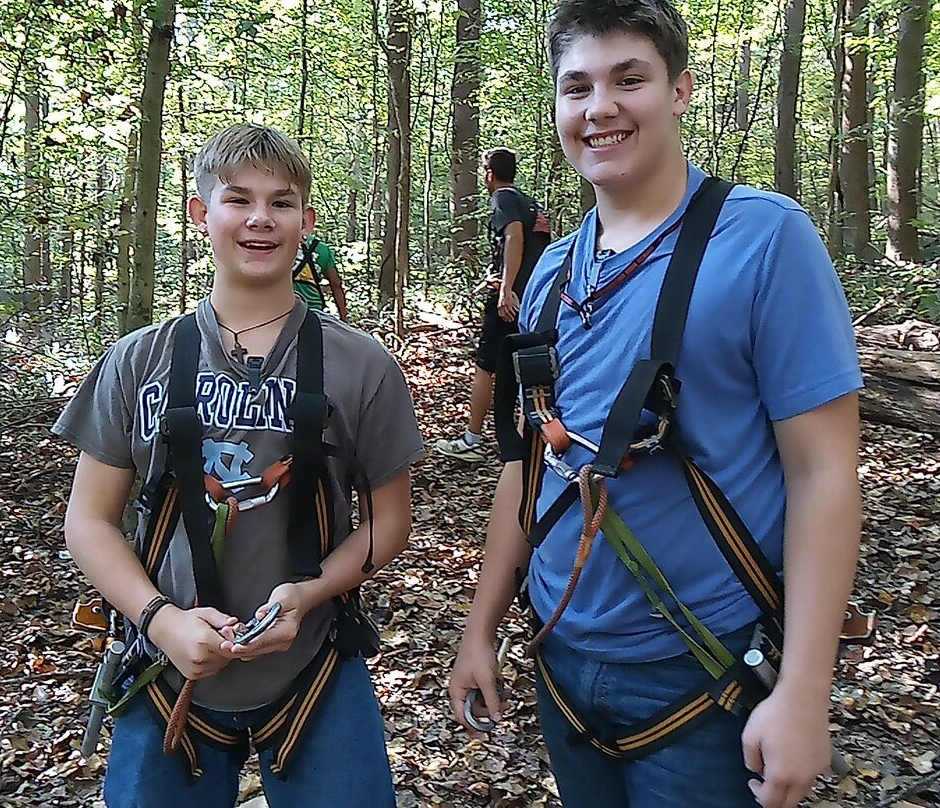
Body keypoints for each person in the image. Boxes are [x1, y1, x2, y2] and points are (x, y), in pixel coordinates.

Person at [448, 3, 863, 808]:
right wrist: (479, 626)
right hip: (563, 660)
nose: (600, 106)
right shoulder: (552, 271)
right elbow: (532, 463)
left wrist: (805, 692)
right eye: (577, 87)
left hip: (705, 670)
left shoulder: (766, 238)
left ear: (679, 90)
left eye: (627, 79)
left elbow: (825, 473)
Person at [54, 123, 424, 808]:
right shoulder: (138, 361)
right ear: (201, 214)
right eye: (238, 199)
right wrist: (160, 619)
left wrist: (306, 595)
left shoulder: (363, 366)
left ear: (306, 222)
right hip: (164, 674)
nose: (260, 218)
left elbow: (389, 523)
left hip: (314, 663)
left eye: (282, 203)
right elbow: (89, 520)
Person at [435, 147, 550, 461]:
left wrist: (506, 288)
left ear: (490, 174)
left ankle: (472, 438)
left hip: (511, 299)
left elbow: (514, 237)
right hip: (535, 298)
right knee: (523, 367)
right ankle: (527, 436)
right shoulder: (530, 205)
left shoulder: (503, 199)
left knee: (486, 366)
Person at [293, 233, 349, 322]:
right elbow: (335, 283)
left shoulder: (280, 245)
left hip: (283, 306)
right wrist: (343, 317)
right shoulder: (323, 249)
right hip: (314, 308)